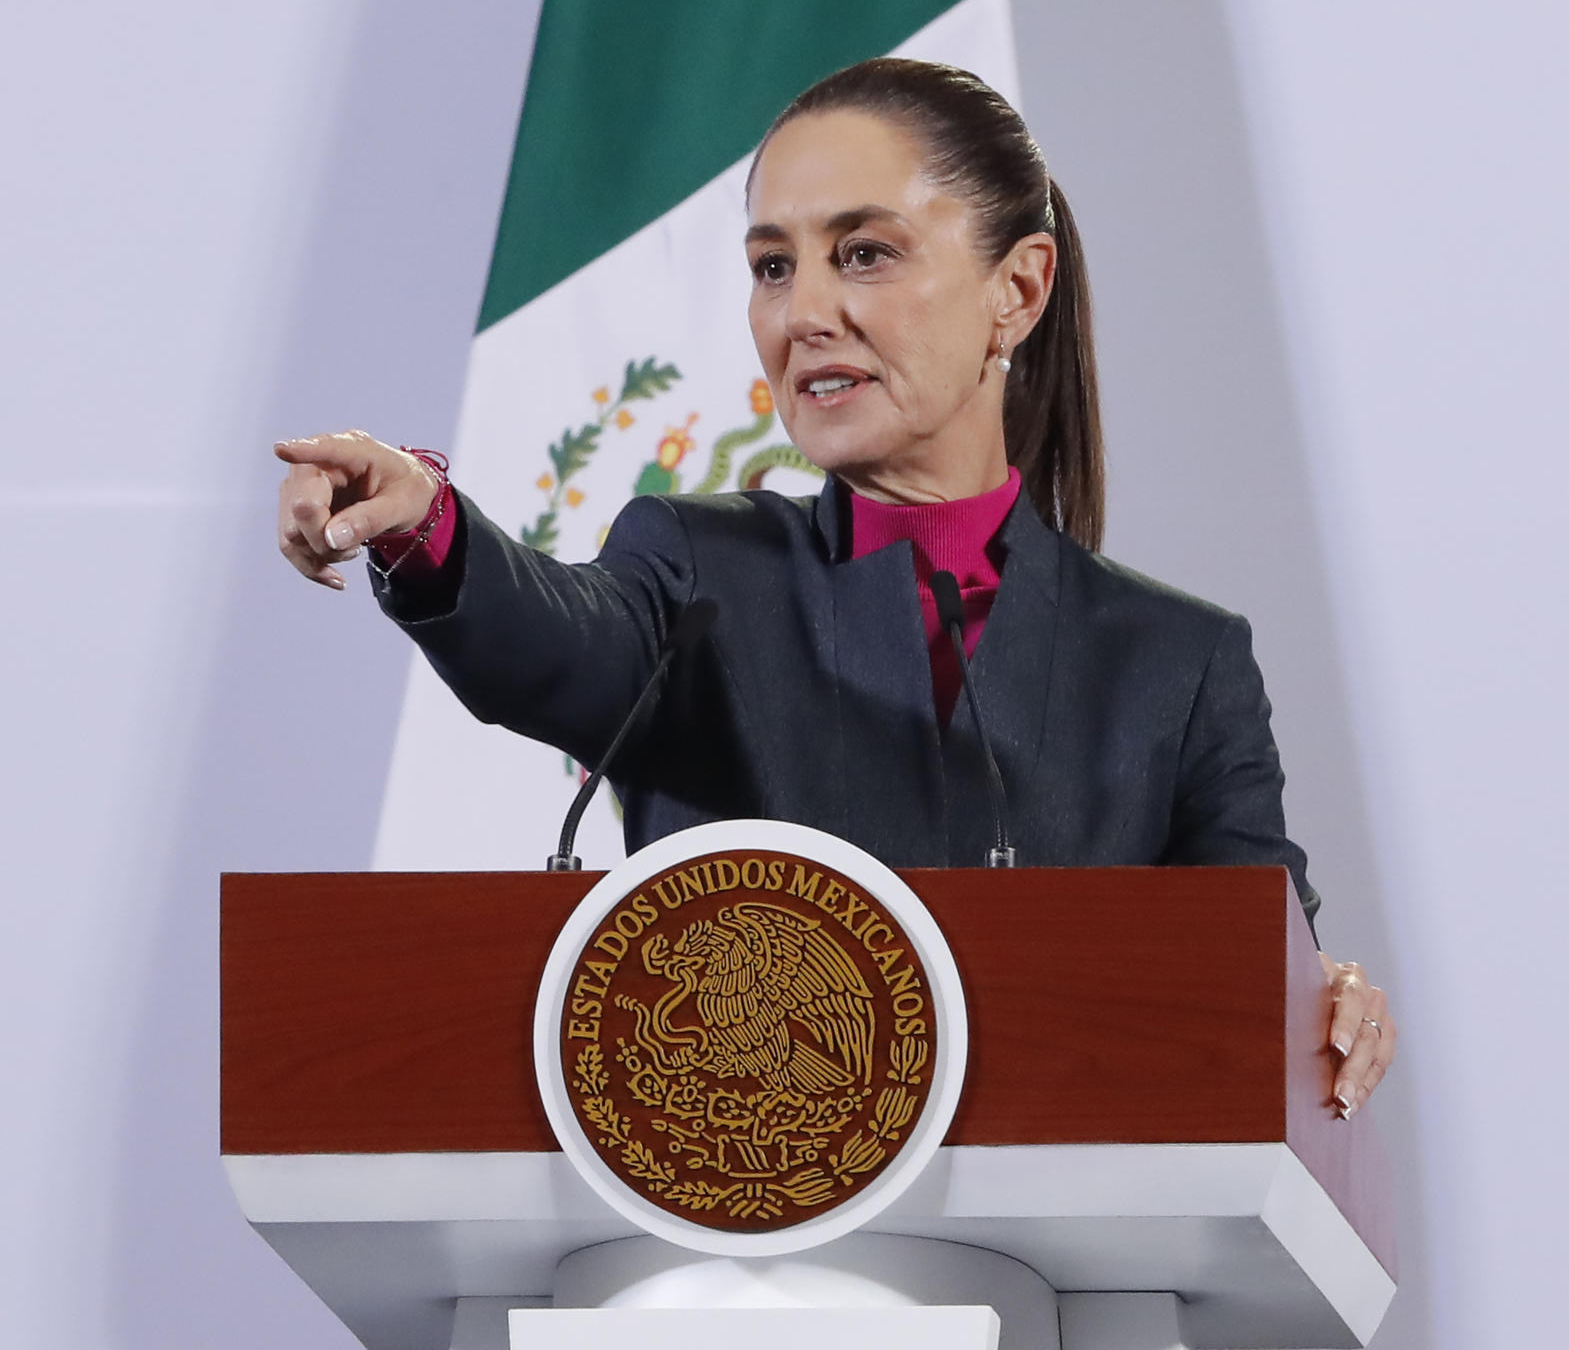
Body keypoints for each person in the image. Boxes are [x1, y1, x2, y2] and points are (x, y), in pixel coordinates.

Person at [276, 58, 1395, 1119]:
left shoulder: (1178, 664)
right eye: (773, 265)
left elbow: (1253, 980)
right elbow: (557, 639)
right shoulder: (697, 571)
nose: (802, 310)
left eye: (862, 253)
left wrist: (1317, 1009)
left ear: (1018, 288)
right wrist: (426, 523)